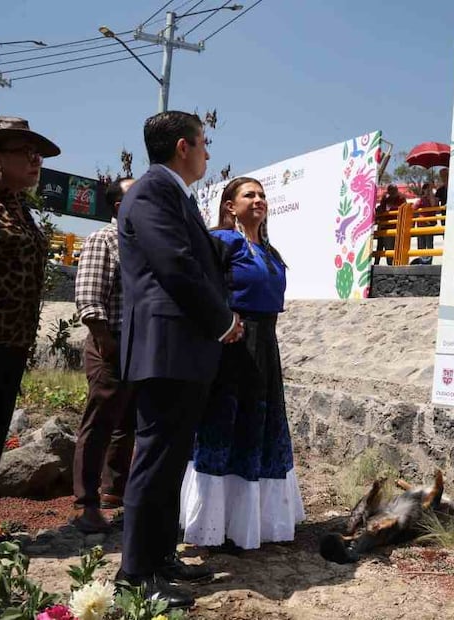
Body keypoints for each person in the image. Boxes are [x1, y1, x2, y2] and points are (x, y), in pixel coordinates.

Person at [115, 111, 244, 608]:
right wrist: (222, 320)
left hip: (182, 350)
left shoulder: (172, 194)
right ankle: (134, 576)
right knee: (154, 463)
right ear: (184, 147)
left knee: (170, 463)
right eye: (205, 143)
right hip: (168, 347)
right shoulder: (150, 192)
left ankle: (159, 557)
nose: (209, 154)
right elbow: (176, 265)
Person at [180, 177, 304, 551]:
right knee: (224, 425)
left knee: (261, 426)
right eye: (249, 194)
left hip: (265, 346)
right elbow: (199, 288)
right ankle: (211, 524)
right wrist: (221, 325)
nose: (259, 200)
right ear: (230, 206)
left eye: (263, 195)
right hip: (231, 344)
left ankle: (254, 521)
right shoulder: (223, 242)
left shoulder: (269, 251)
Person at [0, 116, 59, 542]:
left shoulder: (18, 206)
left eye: (38, 153)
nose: (35, 160)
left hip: (8, 342)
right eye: (24, 152)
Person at [72, 177, 137, 534]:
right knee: (99, 422)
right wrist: (104, 339)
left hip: (139, 345)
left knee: (127, 421)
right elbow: (88, 296)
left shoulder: (141, 242)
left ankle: (114, 490)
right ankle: (86, 505)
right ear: (118, 206)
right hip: (110, 342)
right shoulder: (105, 239)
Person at [374, 184, 405, 265]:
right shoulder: (385, 198)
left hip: (393, 227)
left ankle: (391, 266)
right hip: (383, 226)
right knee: (379, 247)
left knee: (390, 247)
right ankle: (376, 263)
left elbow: (402, 208)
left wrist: (390, 208)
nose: (391, 192)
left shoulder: (401, 198)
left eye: (393, 190)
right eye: (390, 190)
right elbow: (381, 209)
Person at [414, 182, 437, 265]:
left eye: (430, 189)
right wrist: (421, 217)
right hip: (421, 225)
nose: (428, 190)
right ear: (423, 190)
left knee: (429, 244)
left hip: (429, 225)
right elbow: (414, 209)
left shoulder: (434, 199)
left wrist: (431, 195)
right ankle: (422, 262)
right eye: (427, 188)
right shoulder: (420, 200)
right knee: (421, 245)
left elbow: (434, 205)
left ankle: (429, 262)